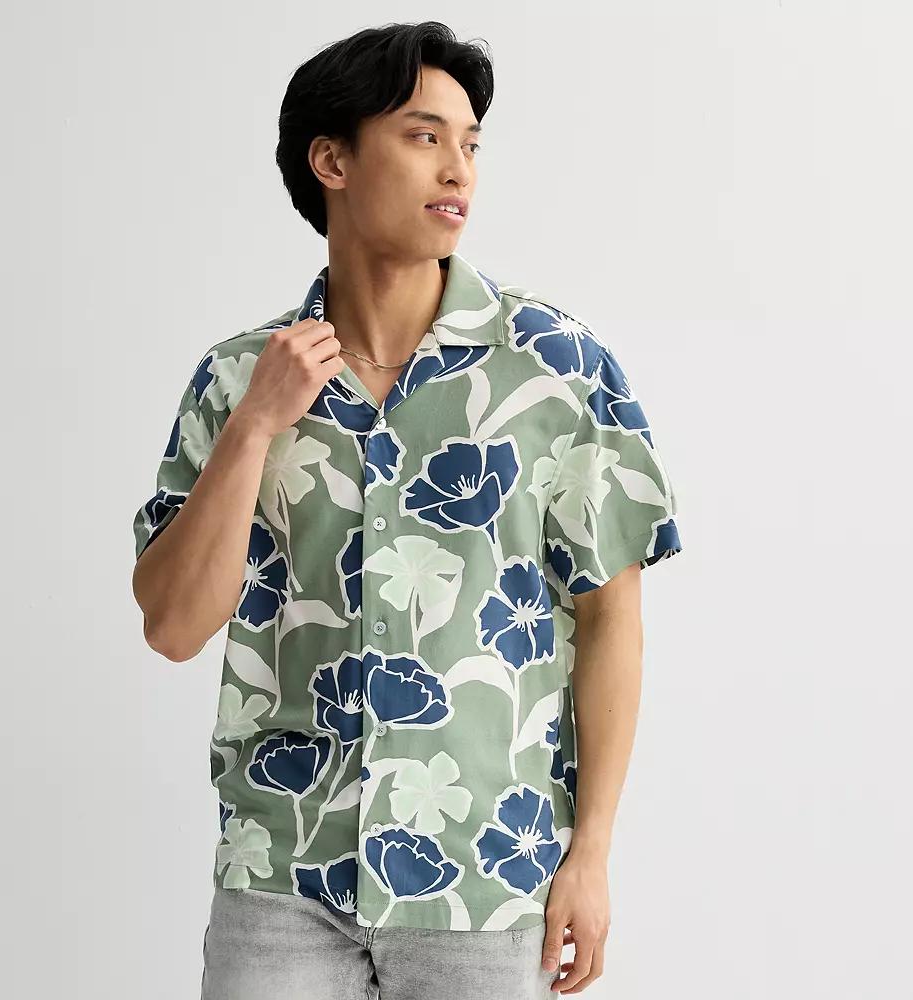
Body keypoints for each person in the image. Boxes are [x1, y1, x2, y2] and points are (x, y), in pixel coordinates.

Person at [131, 20, 683, 1000]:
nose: (457, 168)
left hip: (490, 878)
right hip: (281, 877)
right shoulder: (236, 377)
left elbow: (611, 618)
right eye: (424, 136)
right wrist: (255, 427)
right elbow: (173, 625)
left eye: (469, 143)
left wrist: (591, 852)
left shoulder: (554, 368)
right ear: (332, 160)